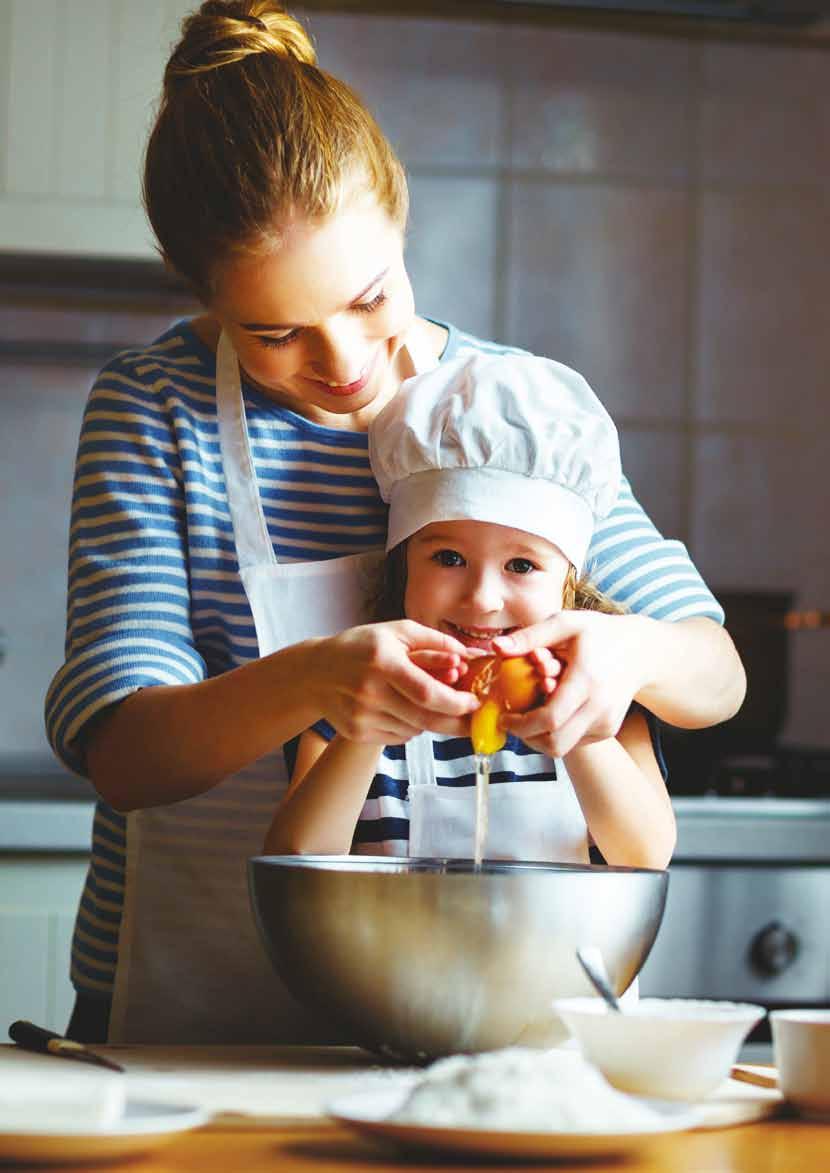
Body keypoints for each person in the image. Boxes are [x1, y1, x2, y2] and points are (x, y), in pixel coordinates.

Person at [43, 0, 744, 1046]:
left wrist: (626, 649)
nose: (340, 363)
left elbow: (713, 677)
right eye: (273, 332)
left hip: (489, 1013)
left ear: (400, 218)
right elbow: (127, 757)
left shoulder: (506, 414)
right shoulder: (156, 407)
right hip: (199, 1010)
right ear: (205, 298)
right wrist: (322, 683)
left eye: (370, 297)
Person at [264, 352, 676, 869]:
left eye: (522, 565)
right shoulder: (353, 695)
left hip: (560, 954)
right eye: (449, 558)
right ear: (403, 565)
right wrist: (368, 730)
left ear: (569, 586)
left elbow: (645, 855)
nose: (482, 598)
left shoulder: (605, 701)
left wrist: (575, 730)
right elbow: (299, 858)